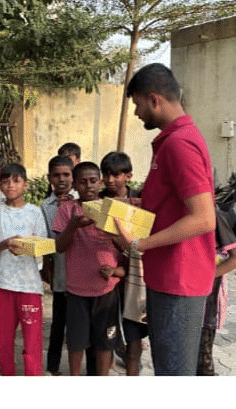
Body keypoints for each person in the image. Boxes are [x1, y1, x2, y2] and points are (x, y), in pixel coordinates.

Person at [106, 64, 217, 375]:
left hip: (179, 280)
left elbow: (203, 218)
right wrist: (135, 205)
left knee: (173, 373)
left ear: (153, 99)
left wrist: (140, 243)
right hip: (168, 276)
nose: (137, 113)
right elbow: (177, 205)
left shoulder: (180, 144)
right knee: (169, 369)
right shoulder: (173, 141)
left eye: (137, 104)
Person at [52, 159, 124, 376]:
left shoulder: (112, 209)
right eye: (82, 182)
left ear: (100, 182)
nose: (89, 186)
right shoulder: (67, 210)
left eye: (93, 181)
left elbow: (126, 245)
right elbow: (59, 247)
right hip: (76, 290)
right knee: (76, 343)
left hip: (106, 289)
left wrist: (112, 229)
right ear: (74, 185)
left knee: (104, 342)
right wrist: (73, 225)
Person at [0, 161, 49, 376]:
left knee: (32, 340)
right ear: (1, 186)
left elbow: (43, 246)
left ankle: (33, 375)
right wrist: (7, 243)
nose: (10, 185)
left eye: (16, 181)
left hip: (28, 284)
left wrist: (29, 246)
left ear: (26, 185)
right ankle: (7, 374)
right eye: (5, 181)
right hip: (0, 283)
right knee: (3, 338)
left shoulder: (35, 213)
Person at [99, 152, 148, 376]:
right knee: (111, 318)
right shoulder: (99, 201)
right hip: (107, 268)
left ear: (128, 176)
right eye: (106, 175)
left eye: (116, 175)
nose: (110, 180)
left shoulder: (140, 199)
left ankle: (131, 359)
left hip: (134, 270)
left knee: (133, 321)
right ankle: (112, 356)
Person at [39, 153, 78, 374]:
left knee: (79, 322)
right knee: (58, 321)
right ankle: (53, 367)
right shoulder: (46, 205)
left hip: (83, 270)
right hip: (61, 271)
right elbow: (48, 239)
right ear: (49, 178)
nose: (61, 179)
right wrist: (46, 267)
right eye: (56, 175)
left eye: (66, 174)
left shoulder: (83, 200)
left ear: (73, 177)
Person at [196, 201, 236, 375]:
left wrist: (202, 276)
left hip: (207, 304)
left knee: (203, 359)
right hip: (184, 303)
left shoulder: (212, 215)